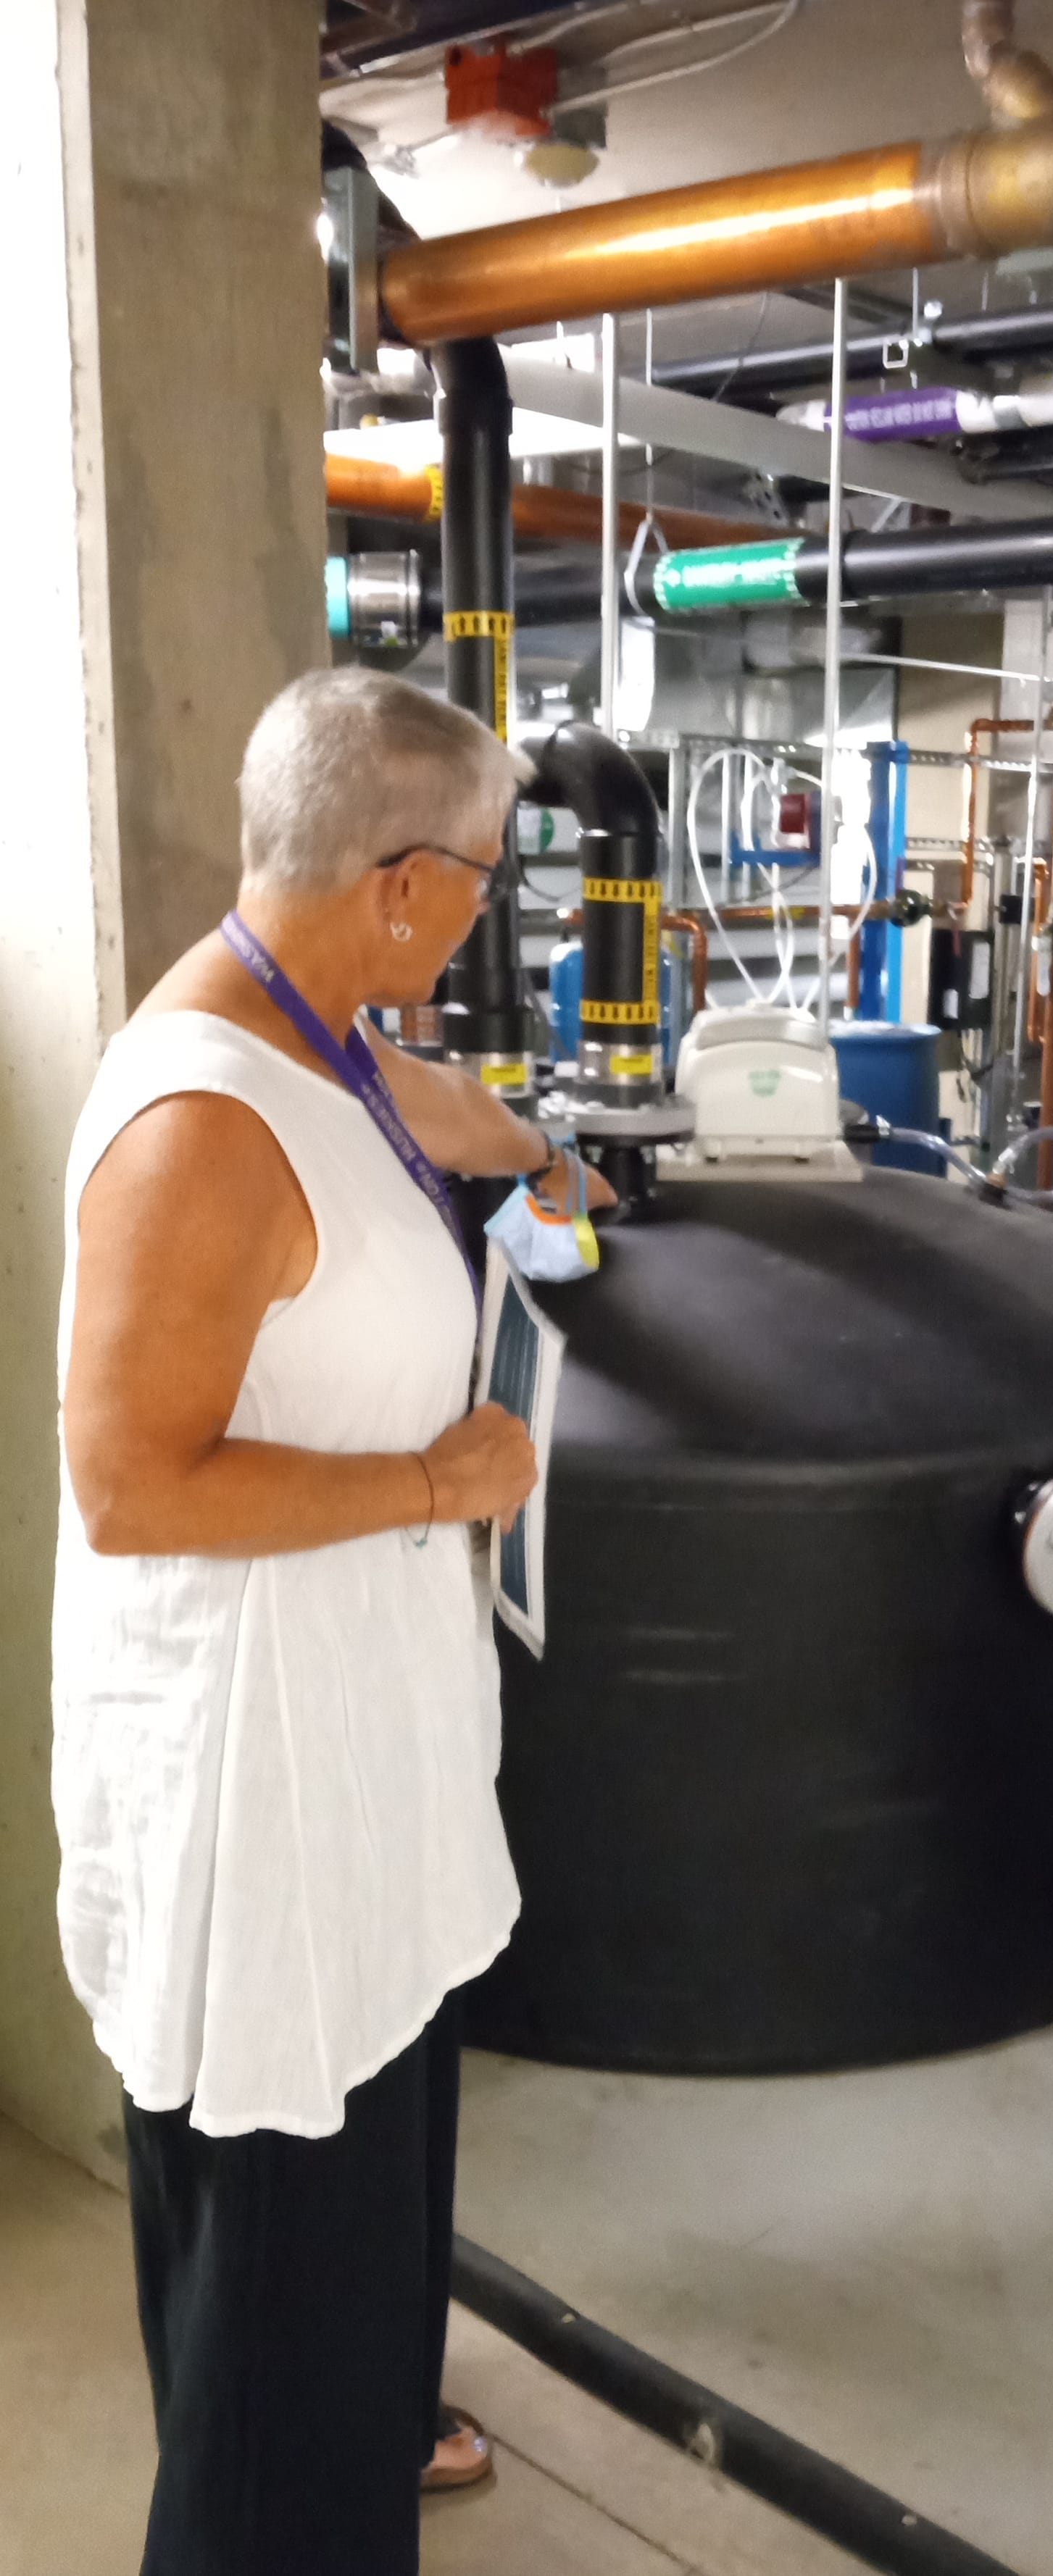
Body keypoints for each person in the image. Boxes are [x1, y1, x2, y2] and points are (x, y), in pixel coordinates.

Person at [51, 666, 615, 2575]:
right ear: (396, 880)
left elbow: (427, 1112)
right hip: (264, 1809)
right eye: (482, 874)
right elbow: (133, 1481)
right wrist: (437, 1485)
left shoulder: (329, 1038)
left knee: (362, 2219)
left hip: (364, 1767)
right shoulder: (202, 1121)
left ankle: (366, 2425)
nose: (486, 904)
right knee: (277, 2269)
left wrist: (538, 1155)